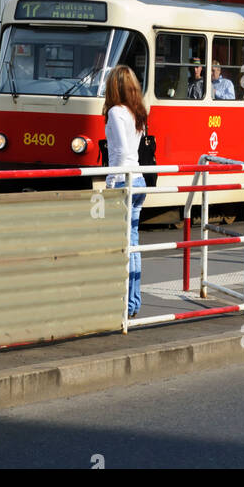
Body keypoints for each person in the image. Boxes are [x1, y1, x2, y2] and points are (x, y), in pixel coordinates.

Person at [104, 65, 147, 319]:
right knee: (133, 243)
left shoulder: (116, 113)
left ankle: (128, 304)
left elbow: (119, 152)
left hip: (123, 181)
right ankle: (133, 302)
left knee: (125, 245)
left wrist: (110, 182)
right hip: (138, 179)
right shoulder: (135, 111)